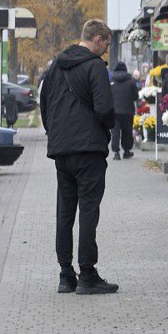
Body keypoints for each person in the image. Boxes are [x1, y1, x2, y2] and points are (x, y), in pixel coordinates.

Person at [39, 19, 118, 295]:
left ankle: (65, 275)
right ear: (96, 40)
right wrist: (105, 128)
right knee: (88, 211)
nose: (107, 49)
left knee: (64, 212)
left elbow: (44, 105)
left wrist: (56, 134)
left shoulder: (55, 67)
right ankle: (87, 275)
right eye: (106, 43)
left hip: (62, 151)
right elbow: (105, 108)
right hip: (89, 150)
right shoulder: (95, 66)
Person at [109, 61, 139, 161]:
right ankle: (126, 151)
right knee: (127, 131)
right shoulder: (131, 81)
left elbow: (106, 94)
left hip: (114, 111)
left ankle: (116, 153)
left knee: (115, 132)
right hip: (128, 111)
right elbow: (136, 96)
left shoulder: (111, 80)